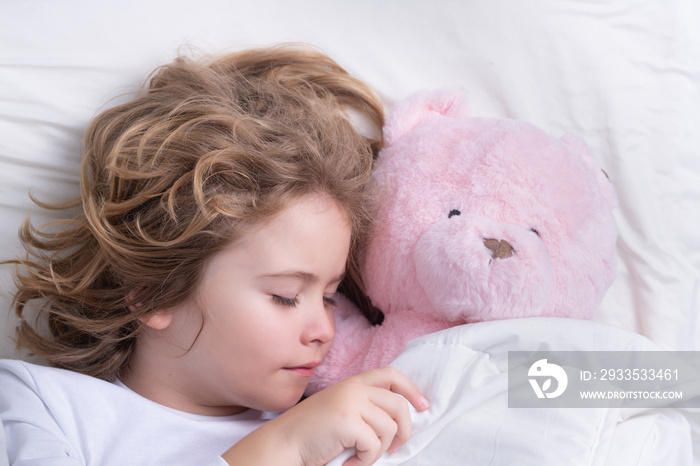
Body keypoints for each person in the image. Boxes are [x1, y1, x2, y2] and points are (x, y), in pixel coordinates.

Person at [0, 44, 429, 466]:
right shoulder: (43, 406)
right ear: (155, 293)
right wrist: (283, 449)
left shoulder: (344, 418)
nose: (324, 330)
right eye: (285, 295)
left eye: (330, 297)